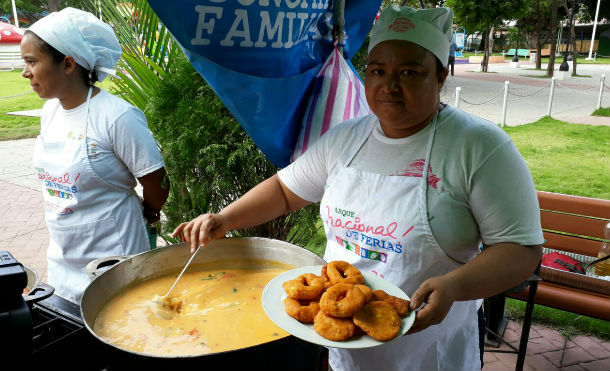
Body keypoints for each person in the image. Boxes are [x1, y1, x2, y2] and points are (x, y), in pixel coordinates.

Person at [173, 5, 543, 371]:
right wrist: (224, 219)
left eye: (409, 72)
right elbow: (286, 191)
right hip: (345, 343)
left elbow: (521, 250)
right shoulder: (347, 138)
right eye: (377, 71)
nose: (389, 86)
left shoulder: (479, 147)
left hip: (430, 348)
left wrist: (455, 286)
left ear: (441, 76)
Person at [21, 8, 170, 304]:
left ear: (67, 64)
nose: (26, 72)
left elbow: (158, 182)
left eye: (32, 62)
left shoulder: (117, 117)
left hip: (116, 259)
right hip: (64, 257)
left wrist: (150, 213)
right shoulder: (50, 112)